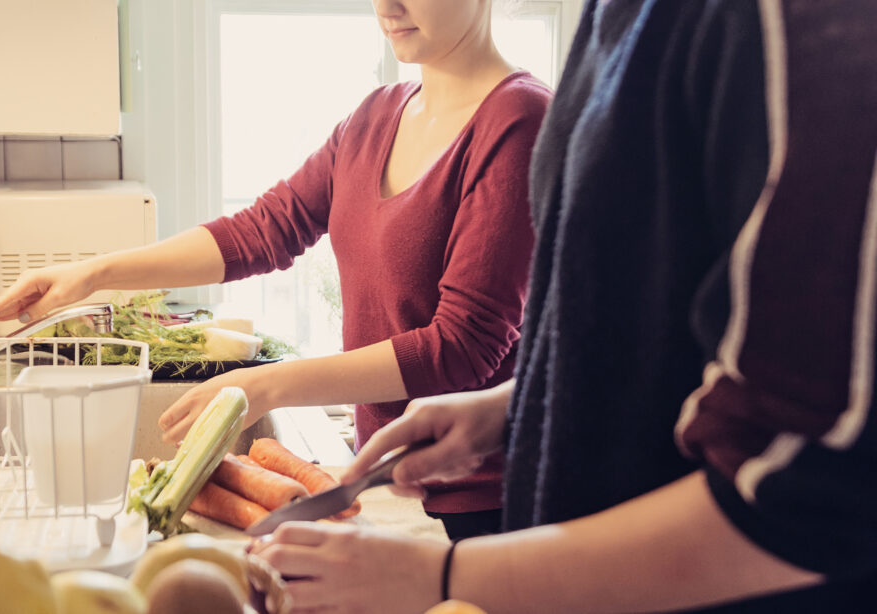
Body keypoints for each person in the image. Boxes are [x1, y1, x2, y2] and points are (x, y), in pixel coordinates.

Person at [248, 0, 877, 612]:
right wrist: (516, 407)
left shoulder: (804, 25)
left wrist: (441, 576)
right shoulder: (615, 16)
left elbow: (808, 494)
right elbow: (652, 331)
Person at [0, 0, 553, 540]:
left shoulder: (520, 122)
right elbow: (265, 230)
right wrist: (94, 273)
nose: (387, 5)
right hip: (387, 484)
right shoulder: (377, 116)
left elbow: (462, 347)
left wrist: (266, 384)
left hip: (486, 505)